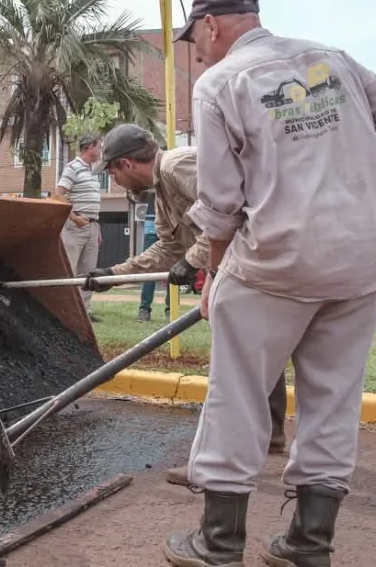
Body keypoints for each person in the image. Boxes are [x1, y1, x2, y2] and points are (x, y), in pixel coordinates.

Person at [161, 0, 376, 567]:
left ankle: (218, 542)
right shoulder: (331, 61)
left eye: (195, 41)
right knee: (334, 399)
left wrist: (211, 271)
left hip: (274, 264)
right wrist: (375, 183)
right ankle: (309, 544)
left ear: (210, 26)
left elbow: (220, 204)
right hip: (361, 260)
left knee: (236, 394)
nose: (198, 53)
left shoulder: (219, 85)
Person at [81, 123, 287, 488]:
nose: (112, 180)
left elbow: (230, 211)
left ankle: (220, 462)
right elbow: (167, 249)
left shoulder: (178, 166)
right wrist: (115, 273)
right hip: (238, 266)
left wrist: (193, 261)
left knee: (235, 362)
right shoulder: (160, 191)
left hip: (258, 262)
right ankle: (268, 436)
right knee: (253, 354)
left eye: (111, 171)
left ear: (126, 164)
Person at [55, 133, 103, 321]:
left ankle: (85, 311)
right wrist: (74, 218)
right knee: (70, 269)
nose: (100, 151)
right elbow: (58, 195)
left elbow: (93, 202)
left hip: (92, 225)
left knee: (88, 270)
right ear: (89, 147)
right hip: (75, 227)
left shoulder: (92, 171)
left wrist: (97, 227)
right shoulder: (72, 168)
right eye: (99, 147)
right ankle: (66, 311)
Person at [137, 198, 170, 322]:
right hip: (152, 222)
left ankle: (171, 310)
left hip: (174, 222)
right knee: (149, 267)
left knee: (174, 268)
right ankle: (144, 309)